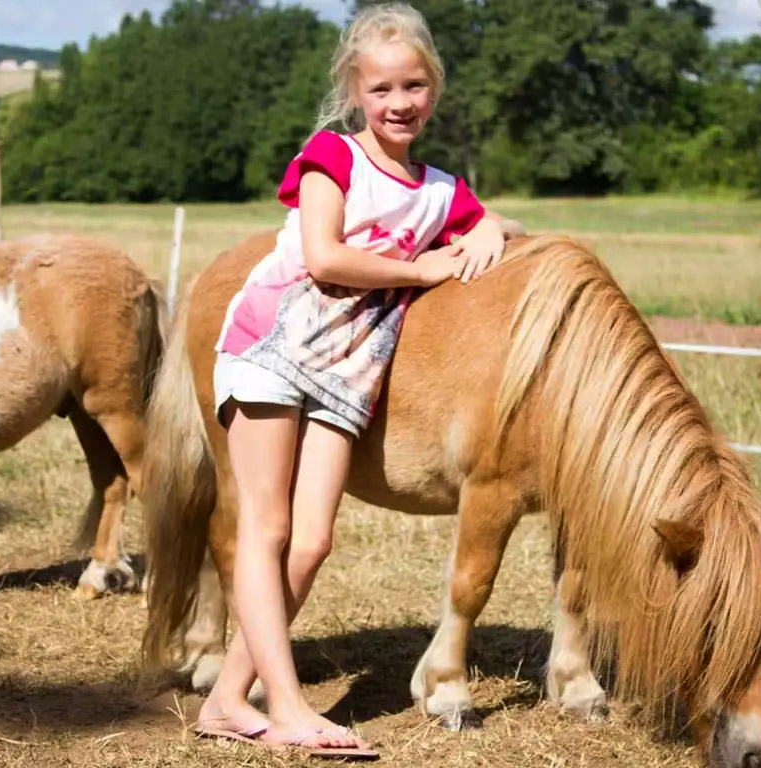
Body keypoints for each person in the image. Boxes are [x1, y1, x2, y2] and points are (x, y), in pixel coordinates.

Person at [198, 2, 511, 758]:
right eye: (381, 90)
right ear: (354, 92)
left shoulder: (441, 188)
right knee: (267, 532)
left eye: (413, 86)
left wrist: (494, 226)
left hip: (346, 374)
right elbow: (325, 258)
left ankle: (224, 699)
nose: (399, 103)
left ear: (433, 86)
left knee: (312, 543)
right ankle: (288, 707)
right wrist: (422, 266)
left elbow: (480, 222)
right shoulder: (332, 157)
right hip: (275, 347)